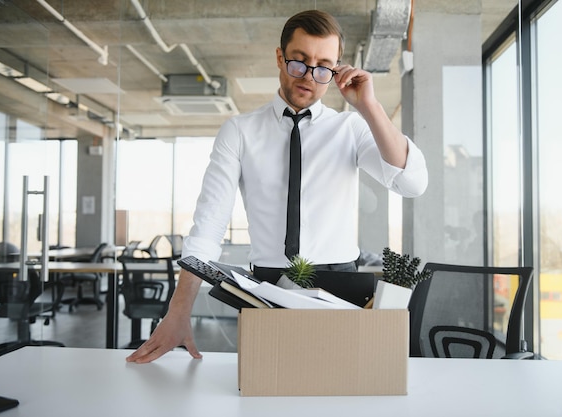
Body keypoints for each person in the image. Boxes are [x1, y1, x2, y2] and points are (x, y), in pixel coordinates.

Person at [127, 9, 428, 364]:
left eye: (323, 67)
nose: (309, 77)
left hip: (340, 287)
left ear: (335, 70)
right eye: (298, 62)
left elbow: (412, 183)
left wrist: (370, 106)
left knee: (340, 392)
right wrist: (179, 311)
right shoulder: (239, 131)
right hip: (265, 289)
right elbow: (208, 226)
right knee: (264, 391)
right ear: (279, 57)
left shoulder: (351, 128)